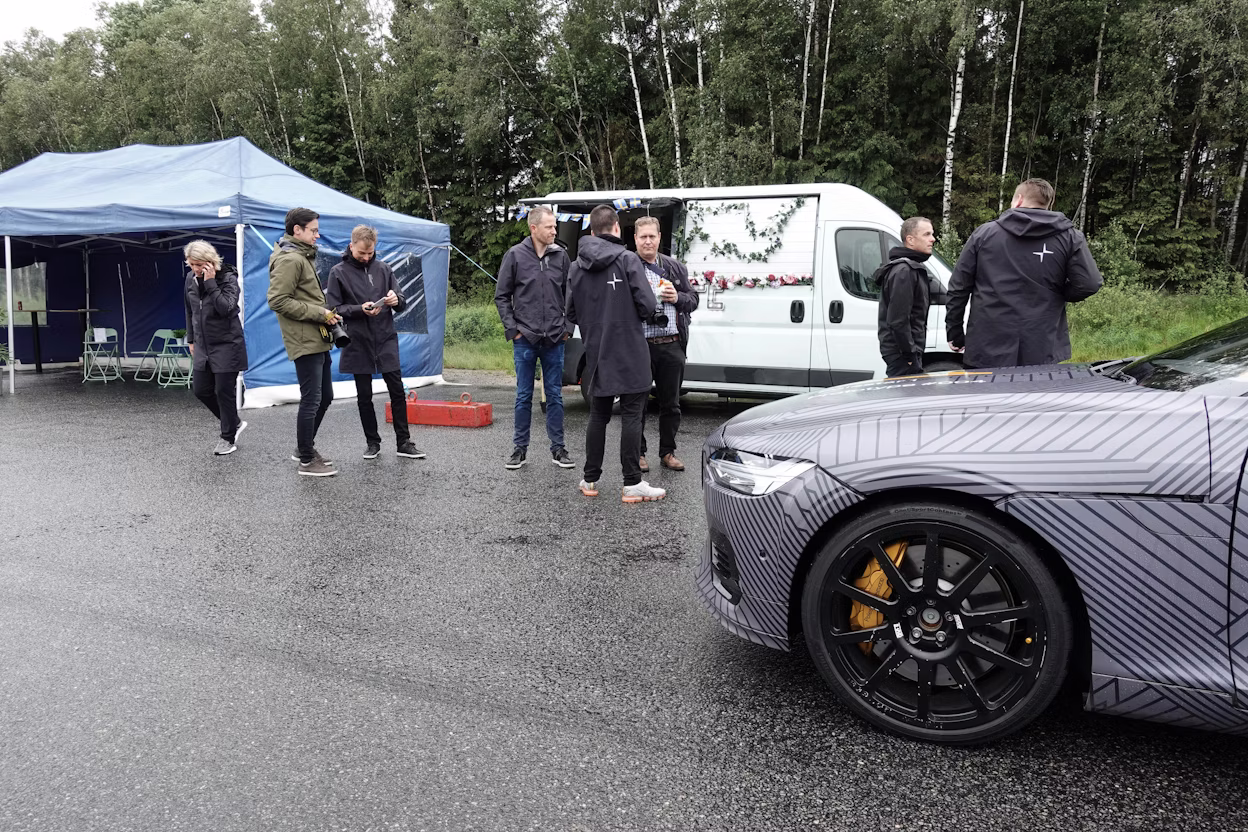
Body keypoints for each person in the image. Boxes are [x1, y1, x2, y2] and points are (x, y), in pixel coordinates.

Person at [946, 178, 1103, 369]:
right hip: (1042, 344)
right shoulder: (1070, 237)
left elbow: (959, 287)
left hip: (988, 344)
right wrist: (1060, 294)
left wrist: (954, 332)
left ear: (1018, 200)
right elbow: (1089, 283)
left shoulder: (984, 234)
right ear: (1048, 204)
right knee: (1036, 398)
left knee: (989, 399)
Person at [567, 205, 665, 503]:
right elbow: (647, 305)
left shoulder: (575, 266)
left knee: (599, 414)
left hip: (596, 349)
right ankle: (632, 483)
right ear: (617, 228)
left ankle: (590, 479)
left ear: (592, 230)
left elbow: (570, 311)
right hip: (630, 350)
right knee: (633, 414)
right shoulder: (627, 260)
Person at [325, 225, 425, 462]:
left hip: (385, 337)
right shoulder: (338, 272)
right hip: (358, 340)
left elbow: (402, 302)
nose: (367, 257)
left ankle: (404, 442)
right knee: (364, 396)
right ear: (352, 246)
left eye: (370, 253)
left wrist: (394, 299)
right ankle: (372, 442)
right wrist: (361, 309)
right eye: (362, 253)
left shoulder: (384, 268)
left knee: (397, 391)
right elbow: (333, 308)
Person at [494, 205, 575, 471]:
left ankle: (558, 449)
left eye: (554, 226)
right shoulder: (515, 255)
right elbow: (502, 296)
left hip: (554, 338)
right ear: (533, 228)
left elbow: (571, 295)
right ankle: (519, 449)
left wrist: (567, 328)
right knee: (523, 395)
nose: (554, 230)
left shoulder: (561, 256)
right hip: (525, 338)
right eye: (550, 227)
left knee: (555, 395)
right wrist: (513, 329)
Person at [267, 207, 341, 477]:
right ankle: (307, 461)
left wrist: (327, 314)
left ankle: (304, 447)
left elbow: (306, 296)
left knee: (326, 397)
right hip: (304, 337)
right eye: (313, 230)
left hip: (317, 335)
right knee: (311, 399)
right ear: (297, 230)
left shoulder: (302, 255)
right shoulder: (290, 259)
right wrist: (318, 313)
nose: (317, 236)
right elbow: (277, 300)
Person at [633, 216, 698, 472]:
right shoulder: (628, 267)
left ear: (659, 237)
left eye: (652, 236)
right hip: (639, 346)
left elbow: (693, 300)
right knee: (636, 403)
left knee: (671, 403)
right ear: (635, 239)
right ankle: (638, 453)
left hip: (672, 344)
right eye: (643, 237)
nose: (648, 241)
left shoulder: (675, 267)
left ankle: (668, 452)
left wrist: (678, 297)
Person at [184, 240, 248, 455]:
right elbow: (190, 310)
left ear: (211, 262)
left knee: (223, 391)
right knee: (201, 390)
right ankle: (234, 422)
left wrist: (211, 283)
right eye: (191, 265)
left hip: (227, 344)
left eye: (199, 264)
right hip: (203, 344)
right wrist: (191, 339)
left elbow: (228, 309)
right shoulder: (190, 279)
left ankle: (227, 437)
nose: (195, 269)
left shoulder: (228, 278)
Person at [876, 217, 937, 378]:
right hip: (902, 355)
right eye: (927, 234)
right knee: (902, 400)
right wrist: (910, 356)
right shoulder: (904, 271)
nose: (933, 239)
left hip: (905, 353)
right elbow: (898, 320)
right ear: (910, 239)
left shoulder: (910, 267)